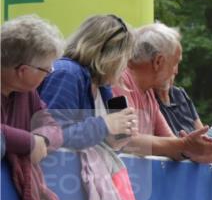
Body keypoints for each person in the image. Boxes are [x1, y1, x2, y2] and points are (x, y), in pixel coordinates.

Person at [115, 23, 212, 164]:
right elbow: (127, 141)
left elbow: (173, 144)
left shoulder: (148, 94)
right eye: (175, 63)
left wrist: (198, 148)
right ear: (158, 62)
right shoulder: (118, 81)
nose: (176, 71)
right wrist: (185, 145)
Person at [38, 14, 138, 150]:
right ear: (112, 56)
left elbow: (89, 139)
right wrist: (104, 125)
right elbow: (51, 136)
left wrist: (113, 140)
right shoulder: (67, 74)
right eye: (126, 58)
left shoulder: (102, 86)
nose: (125, 66)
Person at [1, 15, 65, 200]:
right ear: (23, 71)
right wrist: (29, 142)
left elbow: (52, 126)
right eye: (47, 69)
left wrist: (42, 139)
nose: (49, 74)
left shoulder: (27, 92)